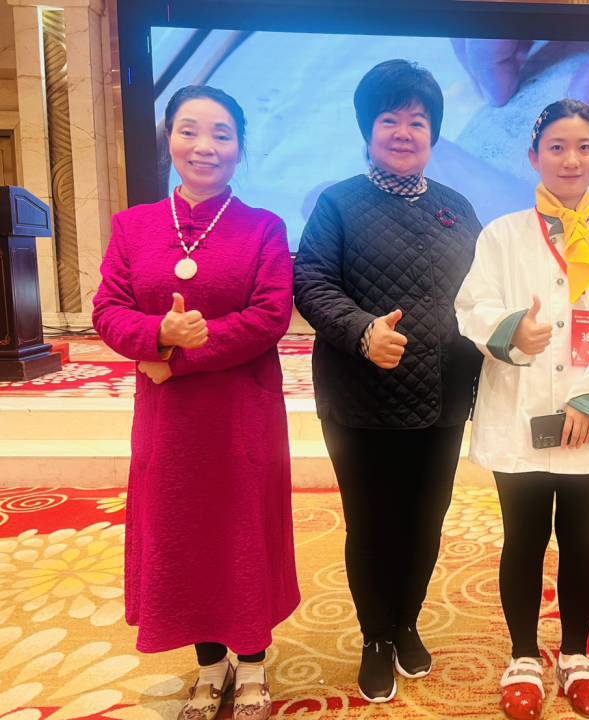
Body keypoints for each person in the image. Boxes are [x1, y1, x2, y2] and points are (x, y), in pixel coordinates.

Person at [92, 85, 300, 720]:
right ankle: (211, 669)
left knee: (242, 535)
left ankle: (254, 665)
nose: (204, 146)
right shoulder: (133, 226)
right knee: (185, 539)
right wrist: (156, 332)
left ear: (239, 147)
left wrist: (177, 354)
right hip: (171, 422)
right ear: (169, 140)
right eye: (189, 130)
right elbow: (107, 309)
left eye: (221, 134)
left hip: (241, 414)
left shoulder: (264, 227)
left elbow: (270, 316)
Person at [456, 99, 589, 720]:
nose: (571, 159)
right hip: (520, 414)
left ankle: (574, 655)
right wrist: (513, 331)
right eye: (557, 147)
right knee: (523, 539)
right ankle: (522, 655)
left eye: (584, 147)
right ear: (534, 156)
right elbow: (473, 305)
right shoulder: (502, 234)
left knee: (582, 541)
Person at [292, 59, 482, 704]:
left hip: (443, 399)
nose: (404, 132)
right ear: (367, 129)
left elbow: (484, 295)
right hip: (359, 401)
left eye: (418, 121)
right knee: (371, 523)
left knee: (425, 520)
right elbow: (312, 282)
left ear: (434, 133)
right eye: (390, 119)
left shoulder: (457, 208)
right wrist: (363, 330)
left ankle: (406, 623)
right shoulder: (338, 203)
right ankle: (375, 636)